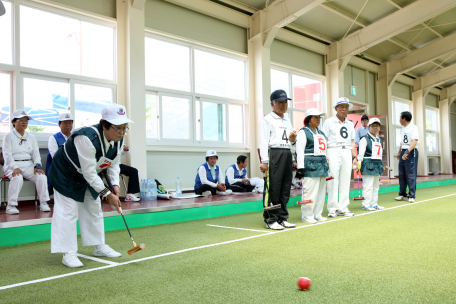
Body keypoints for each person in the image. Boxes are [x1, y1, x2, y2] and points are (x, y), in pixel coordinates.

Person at [49, 104, 133, 268]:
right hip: (65, 174)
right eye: (117, 128)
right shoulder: (86, 138)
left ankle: (99, 246)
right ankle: (69, 253)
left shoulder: (118, 139)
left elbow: (114, 163)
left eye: (124, 128)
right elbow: (89, 173)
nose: (122, 132)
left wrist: (115, 185)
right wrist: (108, 194)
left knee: (94, 207)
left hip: (87, 174)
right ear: (104, 125)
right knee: (68, 211)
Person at [258, 89, 297, 230]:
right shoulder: (267, 119)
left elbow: (291, 141)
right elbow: (262, 141)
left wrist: (293, 141)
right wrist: (264, 161)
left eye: (285, 102)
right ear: (272, 104)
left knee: (285, 187)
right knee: (273, 188)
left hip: (286, 153)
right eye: (280, 102)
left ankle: (282, 218)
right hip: (273, 153)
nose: (284, 105)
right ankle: (270, 219)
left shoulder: (287, 119)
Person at [2, 110, 51, 214]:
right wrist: (15, 167)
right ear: (14, 122)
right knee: (17, 177)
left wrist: (37, 166)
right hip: (12, 165)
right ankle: (11, 205)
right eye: (21, 120)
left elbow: (36, 154)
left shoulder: (31, 137)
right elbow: (7, 154)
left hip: (28, 165)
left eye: (26, 120)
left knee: (42, 176)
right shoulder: (8, 136)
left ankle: (43, 203)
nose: (24, 122)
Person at [322, 97, 358, 218]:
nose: (344, 109)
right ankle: (332, 208)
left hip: (347, 151)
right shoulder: (328, 122)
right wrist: (325, 155)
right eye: (341, 106)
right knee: (332, 180)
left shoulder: (350, 123)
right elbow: (324, 139)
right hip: (333, 150)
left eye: (346, 107)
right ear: (336, 108)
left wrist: (354, 156)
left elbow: (352, 141)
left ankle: (343, 207)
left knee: (346, 180)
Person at [295, 108, 329, 223]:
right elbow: (299, 150)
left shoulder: (321, 133)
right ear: (308, 119)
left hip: (322, 165)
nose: (318, 119)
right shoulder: (303, 132)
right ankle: (307, 215)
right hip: (310, 165)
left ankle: (317, 213)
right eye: (315, 117)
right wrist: (300, 168)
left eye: (319, 117)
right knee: (310, 191)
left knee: (320, 192)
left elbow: (325, 150)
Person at [357, 118, 385, 211]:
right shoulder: (364, 139)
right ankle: (366, 204)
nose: (375, 128)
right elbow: (360, 153)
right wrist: (359, 163)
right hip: (367, 163)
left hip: (376, 164)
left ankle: (374, 203)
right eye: (373, 126)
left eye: (377, 126)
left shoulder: (379, 139)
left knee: (376, 186)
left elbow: (379, 154)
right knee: (368, 186)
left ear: (379, 127)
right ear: (369, 127)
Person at [46, 113, 73, 195]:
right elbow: (55, 157)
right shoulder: (53, 138)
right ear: (59, 124)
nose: (68, 125)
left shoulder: (76, 137)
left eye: (70, 122)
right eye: (65, 123)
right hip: (59, 167)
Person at [395, 111, 419, 203]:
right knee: (401, 174)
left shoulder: (413, 127)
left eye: (400, 117)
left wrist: (408, 152)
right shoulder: (402, 128)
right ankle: (402, 194)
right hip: (403, 151)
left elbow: (415, 140)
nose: (399, 119)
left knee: (410, 174)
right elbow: (402, 142)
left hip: (411, 151)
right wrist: (399, 152)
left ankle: (412, 195)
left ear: (404, 118)